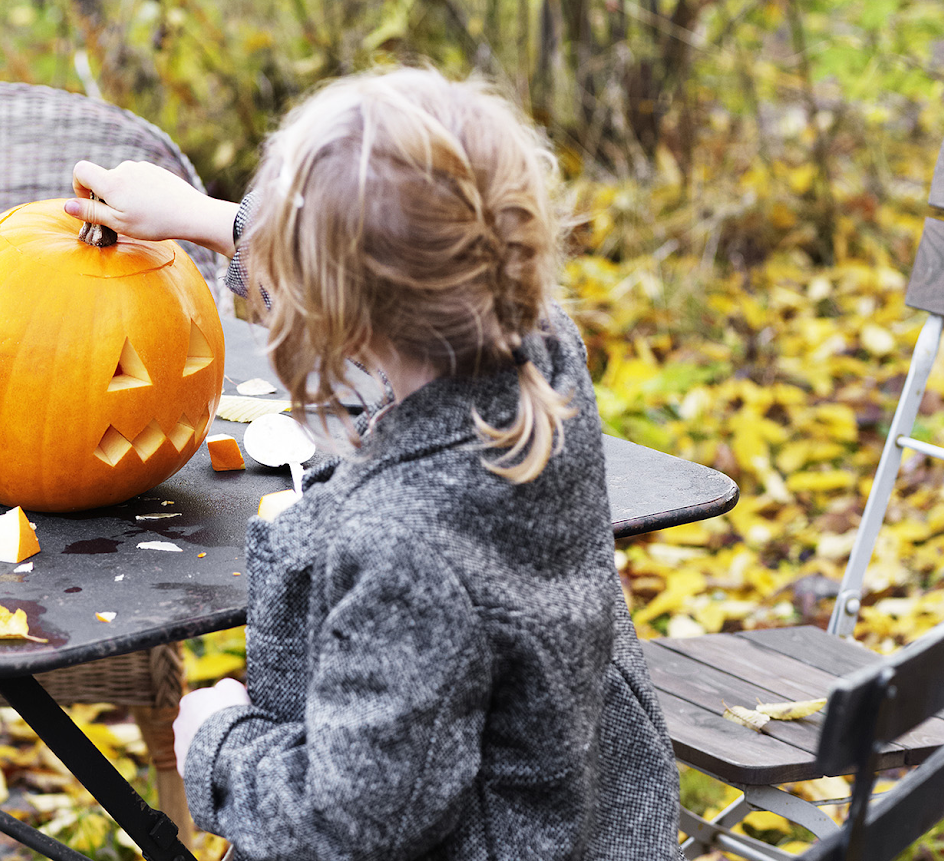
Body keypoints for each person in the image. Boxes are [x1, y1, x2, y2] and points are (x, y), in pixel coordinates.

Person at [65, 67, 680, 860]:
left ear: (335, 307)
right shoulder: (542, 356)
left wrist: (216, 746)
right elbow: (392, 267)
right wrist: (207, 220)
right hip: (584, 810)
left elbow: (356, 822)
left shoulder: (406, 549)